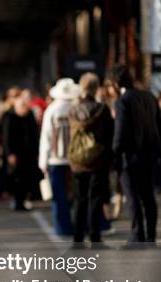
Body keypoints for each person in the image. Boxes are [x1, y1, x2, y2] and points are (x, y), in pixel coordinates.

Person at [108, 64, 161, 243]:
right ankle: (151, 234)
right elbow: (159, 127)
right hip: (149, 154)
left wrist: (114, 153)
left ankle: (137, 234)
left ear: (116, 83)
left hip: (130, 157)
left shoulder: (123, 101)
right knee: (148, 196)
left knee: (132, 197)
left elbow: (120, 132)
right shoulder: (149, 97)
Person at [68, 73, 114, 244]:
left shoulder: (72, 110)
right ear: (96, 89)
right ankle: (95, 234)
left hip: (78, 160)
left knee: (79, 199)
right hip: (98, 160)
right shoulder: (102, 109)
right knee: (95, 198)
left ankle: (78, 236)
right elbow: (110, 135)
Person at [39, 78, 79, 236]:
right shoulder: (77, 107)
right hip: (76, 158)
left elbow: (46, 137)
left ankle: (63, 228)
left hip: (56, 158)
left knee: (59, 196)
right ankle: (81, 225)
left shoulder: (52, 109)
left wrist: (43, 161)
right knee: (77, 195)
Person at [0, 95, 40, 211]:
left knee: (27, 178)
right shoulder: (9, 117)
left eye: (25, 105)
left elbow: (35, 135)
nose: (24, 108)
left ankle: (23, 200)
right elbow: (6, 138)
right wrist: (10, 154)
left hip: (29, 153)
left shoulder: (30, 116)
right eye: (22, 105)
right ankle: (18, 202)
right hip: (16, 154)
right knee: (17, 178)